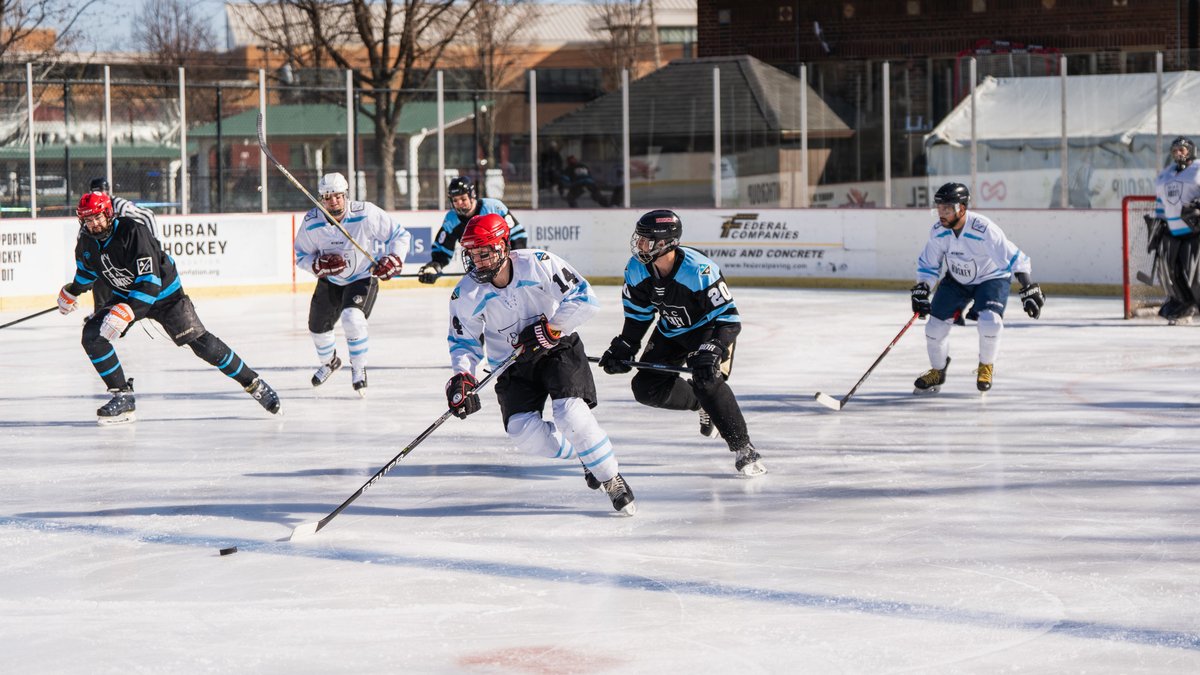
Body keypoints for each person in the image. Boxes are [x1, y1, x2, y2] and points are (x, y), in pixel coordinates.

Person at [445, 213, 636, 515]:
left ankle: (611, 477)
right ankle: (585, 454)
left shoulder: (538, 263)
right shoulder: (466, 293)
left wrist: (552, 327)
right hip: (513, 364)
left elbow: (585, 297)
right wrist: (463, 375)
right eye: (471, 254)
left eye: (484, 252)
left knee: (571, 415)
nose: (478, 261)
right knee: (524, 434)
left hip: (557, 349)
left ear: (503, 246)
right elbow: (463, 342)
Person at [56, 192, 280, 425]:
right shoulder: (86, 241)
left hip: (164, 293)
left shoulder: (132, 231)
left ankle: (253, 383)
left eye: (98, 217)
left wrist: (129, 310)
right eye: (88, 219)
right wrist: (72, 290)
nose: (94, 224)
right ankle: (123, 397)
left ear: (108, 213)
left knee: (201, 344)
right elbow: (88, 271)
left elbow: (150, 281)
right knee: (92, 335)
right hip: (127, 294)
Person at [597, 210, 766, 478]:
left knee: (707, 380)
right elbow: (638, 315)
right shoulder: (636, 269)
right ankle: (700, 405)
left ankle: (743, 447)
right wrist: (624, 347)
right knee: (645, 388)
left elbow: (729, 320)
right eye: (639, 238)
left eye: (646, 240)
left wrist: (713, 349)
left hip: (709, 331)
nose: (639, 245)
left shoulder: (699, 270)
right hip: (671, 330)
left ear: (665, 243)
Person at [910, 182, 1045, 394]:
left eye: (947, 209)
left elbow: (1015, 257)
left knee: (991, 322)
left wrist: (1028, 286)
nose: (941, 214)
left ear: (961, 209)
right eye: (939, 208)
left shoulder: (983, 229)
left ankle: (986, 366)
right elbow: (928, 265)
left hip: (991, 278)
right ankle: (937, 371)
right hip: (956, 280)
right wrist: (922, 289)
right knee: (934, 329)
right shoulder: (938, 232)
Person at [293, 172, 411, 397]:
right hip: (331, 281)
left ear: (345, 195)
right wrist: (319, 265)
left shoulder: (365, 213)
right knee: (317, 328)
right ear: (321, 199)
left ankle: (358, 369)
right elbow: (301, 255)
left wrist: (394, 259)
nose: (333, 201)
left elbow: (400, 235)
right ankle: (330, 362)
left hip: (362, 277)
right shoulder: (312, 222)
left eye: (338, 196)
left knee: (352, 318)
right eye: (327, 197)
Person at [417, 176, 527, 284]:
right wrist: (435, 265)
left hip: (503, 265)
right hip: (478, 267)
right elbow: (442, 250)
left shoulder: (494, 207)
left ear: (472, 195)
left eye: (463, 199)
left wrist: (514, 262)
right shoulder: (451, 219)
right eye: (455, 200)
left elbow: (518, 236)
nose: (459, 203)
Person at [86, 177, 161, 312]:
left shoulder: (119, 205)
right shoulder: (91, 209)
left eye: (102, 191)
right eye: (95, 192)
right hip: (108, 251)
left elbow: (147, 215)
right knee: (101, 279)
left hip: (127, 251)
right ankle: (100, 313)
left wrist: (155, 245)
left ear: (108, 191)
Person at [1150, 136, 1200, 323]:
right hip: (1172, 232)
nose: (1178, 153)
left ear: (1191, 151)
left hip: (1196, 232)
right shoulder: (1165, 174)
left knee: (1196, 274)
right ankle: (1184, 306)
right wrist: (1158, 224)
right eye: (1175, 150)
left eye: (1182, 149)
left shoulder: (1198, 169)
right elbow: (1161, 204)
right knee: (1172, 273)